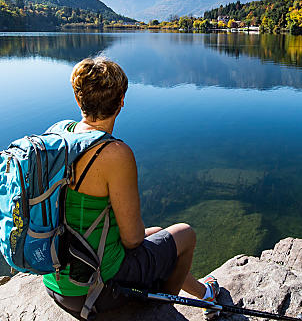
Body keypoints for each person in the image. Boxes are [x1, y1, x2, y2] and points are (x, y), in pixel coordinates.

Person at [43, 57, 219, 319]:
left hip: (57, 282)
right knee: (185, 234)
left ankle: (204, 293)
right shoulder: (114, 153)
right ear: (121, 102)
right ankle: (159, 308)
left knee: (159, 232)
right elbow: (133, 239)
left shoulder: (58, 134)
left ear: (79, 100)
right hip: (96, 290)